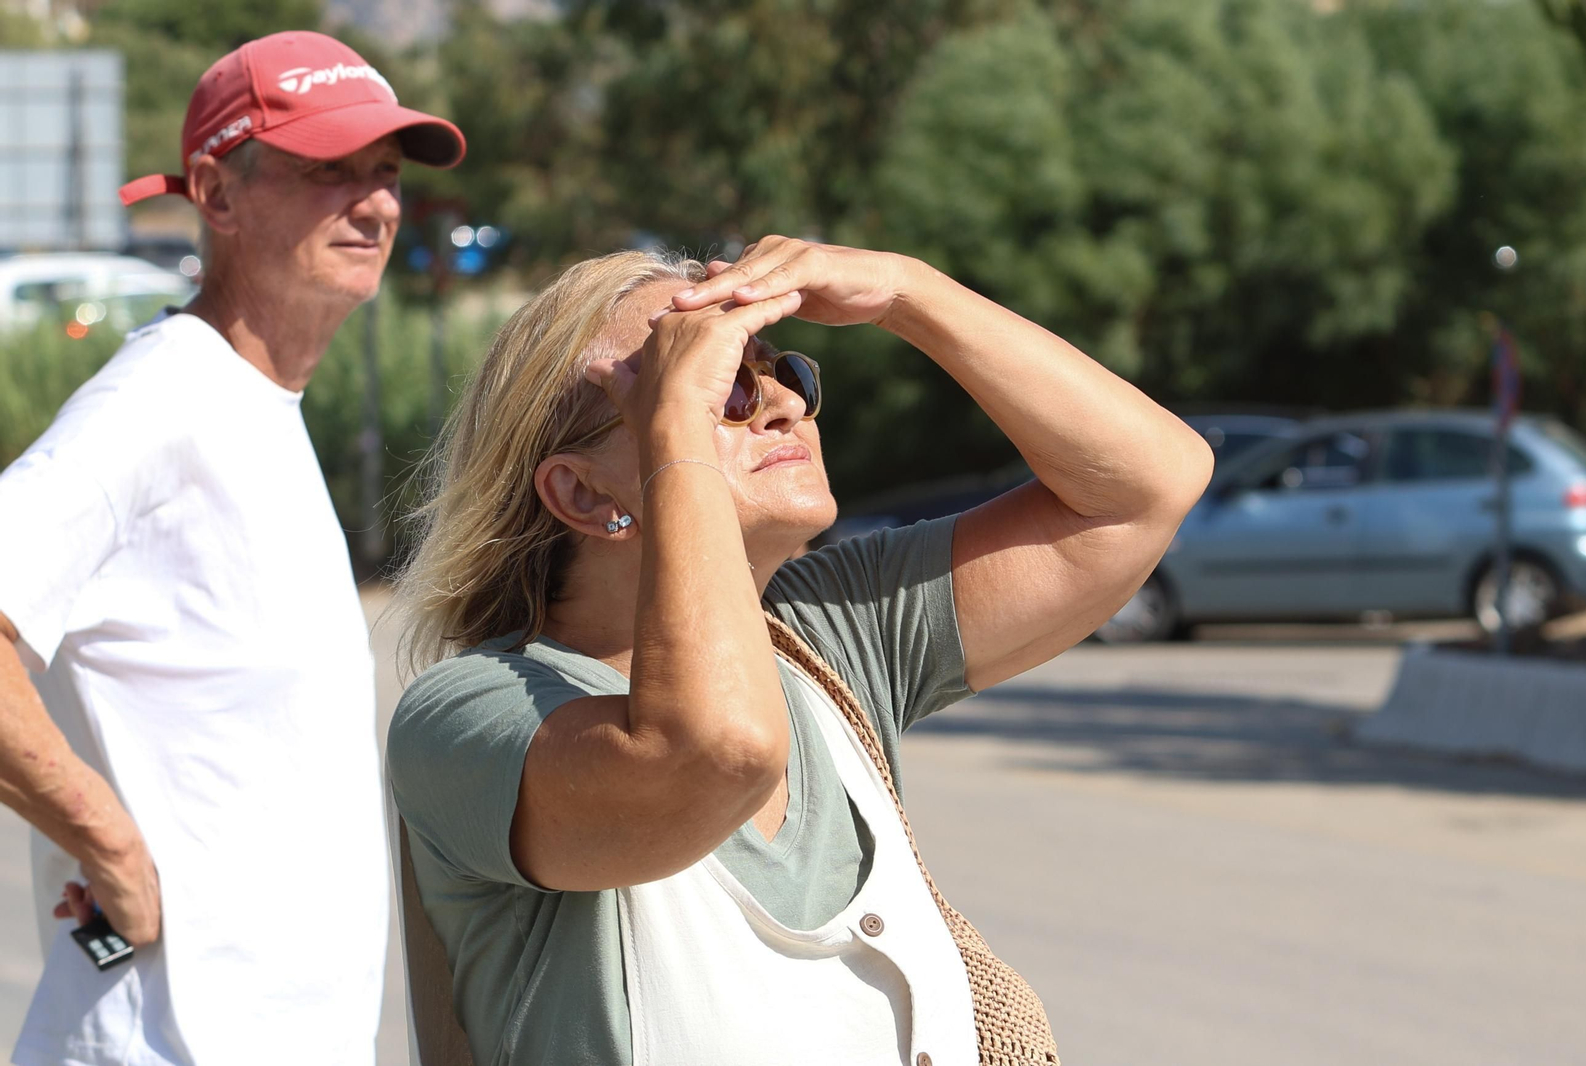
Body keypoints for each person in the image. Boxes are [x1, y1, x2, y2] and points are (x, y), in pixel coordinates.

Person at [386, 237, 1214, 1065]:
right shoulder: (471, 714)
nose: (784, 403)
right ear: (581, 492)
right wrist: (676, 426)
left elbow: (1147, 488)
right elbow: (714, 751)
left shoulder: (823, 635)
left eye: (780, 369)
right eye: (722, 385)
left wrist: (907, 292)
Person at [0, 31, 465, 1066]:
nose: (374, 204)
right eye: (330, 169)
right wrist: (106, 841)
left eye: (386, 172)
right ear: (216, 192)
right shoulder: (160, 400)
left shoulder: (255, 401)